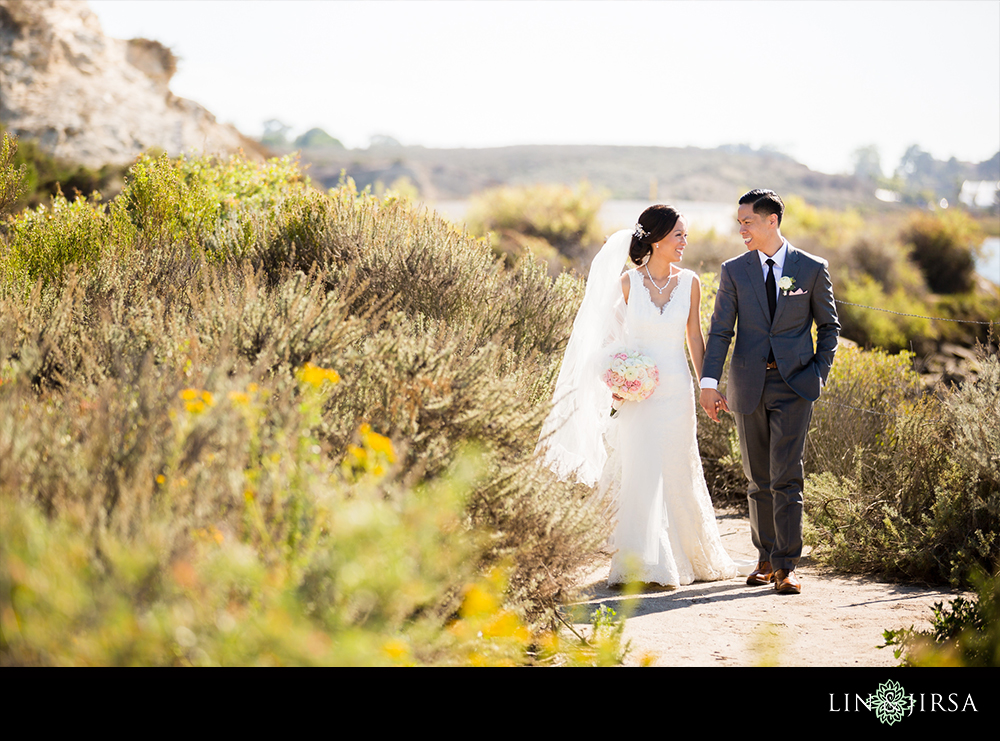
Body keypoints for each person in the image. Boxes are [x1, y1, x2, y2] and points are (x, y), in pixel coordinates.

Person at [538, 204, 744, 588]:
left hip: (677, 390)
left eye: (685, 235)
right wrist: (620, 376)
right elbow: (607, 340)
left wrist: (707, 385)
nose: (685, 242)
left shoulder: (691, 283)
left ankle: (687, 555)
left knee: (677, 467)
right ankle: (644, 562)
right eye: (678, 235)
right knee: (641, 470)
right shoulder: (628, 284)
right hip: (639, 394)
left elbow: (694, 338)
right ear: (657, 238)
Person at [699, 189, 840, 595]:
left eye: (747, 221)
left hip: (795, 384)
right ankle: (764, 558)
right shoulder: (734, 270)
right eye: (739, 222)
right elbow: (721, 330)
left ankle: (787, 566)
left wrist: (818, 375)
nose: (740, 228)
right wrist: (709, 383)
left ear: (771, 221)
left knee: (787, 477)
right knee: (757, 478)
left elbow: (830, 328)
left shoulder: (812, 268)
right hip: (747, 384)